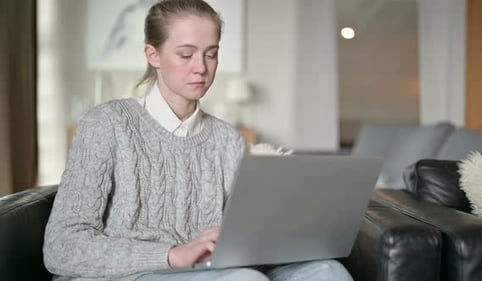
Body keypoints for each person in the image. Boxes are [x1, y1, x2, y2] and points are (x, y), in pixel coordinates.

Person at [43, 1, 354, 280]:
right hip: (133, 273)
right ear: (154, 55)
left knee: (329, 271)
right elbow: (60, 247)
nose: (201, 68)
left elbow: (242, 241)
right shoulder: (107, 123)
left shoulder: (227, 140)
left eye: (211, 53)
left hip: (212, 270)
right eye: (186, 54)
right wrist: (171, 255)